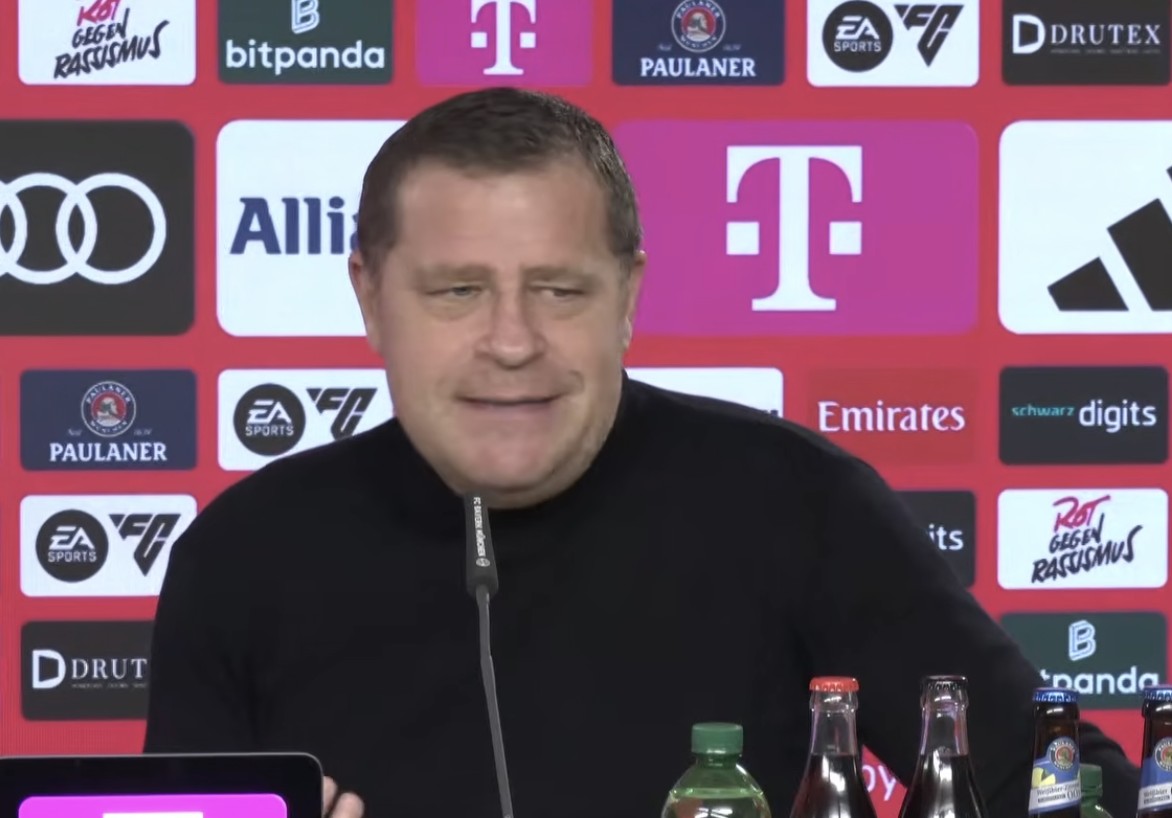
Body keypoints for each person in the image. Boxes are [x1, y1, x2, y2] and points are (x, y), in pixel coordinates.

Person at [142, 87, 1141, 818]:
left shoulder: (796, 502)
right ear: (368, 296)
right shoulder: (243, 554)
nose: (511, 341)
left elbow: (1060, 788)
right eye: (456, 291)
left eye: (559, 289)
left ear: (627, 296)